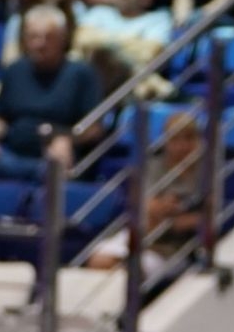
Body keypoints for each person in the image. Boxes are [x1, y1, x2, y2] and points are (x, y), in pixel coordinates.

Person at [0, 5, 102, 180]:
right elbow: (1, 117)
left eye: (48, 37)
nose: (40, 44)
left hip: (56, 161)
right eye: (33, 37)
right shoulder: (14, 70)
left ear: (63, 39)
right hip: (11, 157)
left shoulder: (81, 73)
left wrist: (68, 139)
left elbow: (94, 129)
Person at [87, 109, 203, 275]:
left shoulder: (207, 173)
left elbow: (208, 216)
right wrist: (162, 209)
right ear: (166, 141)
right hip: (142, 234)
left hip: (173, 248)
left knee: (129, 271)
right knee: (99, 260)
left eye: (189, 138)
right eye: (175, 139)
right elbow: (146, 207)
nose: (182, 146)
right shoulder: (154, 166)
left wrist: (174, 221)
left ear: (198, 140)